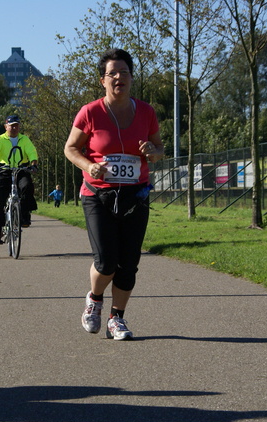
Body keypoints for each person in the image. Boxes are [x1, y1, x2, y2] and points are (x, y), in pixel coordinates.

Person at [64, 48, 164, 340]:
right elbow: (71, 149)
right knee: (107, 260)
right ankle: (94, 299)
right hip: (98, 194)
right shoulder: (90, 112)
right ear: (102, 80)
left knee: (128, 264)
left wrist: (153, 152)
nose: (119, 77)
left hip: (136, 195)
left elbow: (159, 149)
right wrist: (89, 166)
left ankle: (116, 319)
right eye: (113, 73)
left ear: (132, 77)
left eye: (124, 72)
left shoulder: (146, 112)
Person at [0, 115, 39, 244]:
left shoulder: (24, 139)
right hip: (3, 171)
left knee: (27, 186)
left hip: (21, 170)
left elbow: (32, 152)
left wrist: (33, 164)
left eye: (17, 125)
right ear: (6, 127)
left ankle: (25, 215)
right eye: (12, 125)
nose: (15, 128)